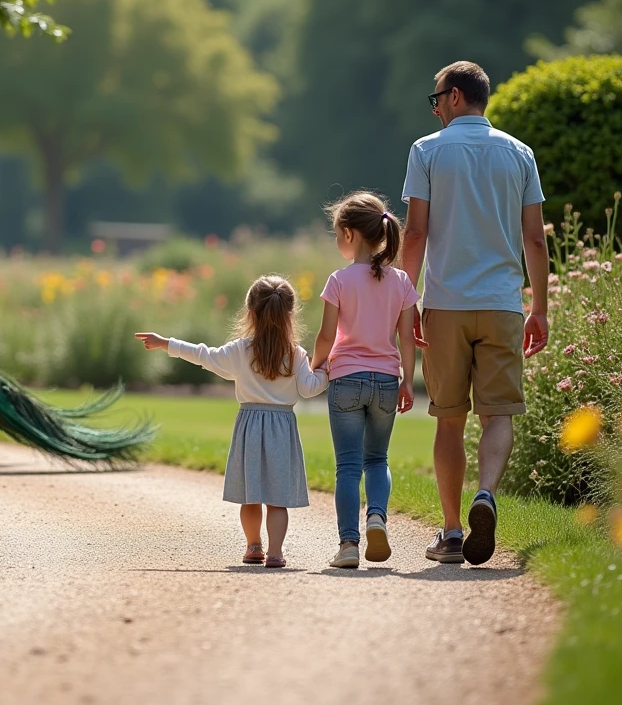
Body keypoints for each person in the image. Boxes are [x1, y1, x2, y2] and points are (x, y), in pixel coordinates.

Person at [401, 61, 550, 566]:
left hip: (446, 303)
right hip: (503, 303)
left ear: (457, 96)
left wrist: (405, 300)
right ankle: (485, 493)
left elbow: (416, 233)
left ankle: (448, 532)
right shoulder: (520, 153)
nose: (437, 107)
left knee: (448, 420)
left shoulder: (426, 151)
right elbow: (534, 238)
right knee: (498, 413)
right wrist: (540, 309)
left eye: (438, 98)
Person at [135, 275, 329, 568]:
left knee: (251, 495)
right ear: (289, 315)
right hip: (283, 428)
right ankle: (275, 552)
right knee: (277, 498)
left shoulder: (241, 350)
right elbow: (310, 388)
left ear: (251, 313)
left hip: (250, 426)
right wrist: (326, 369)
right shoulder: (296, 354)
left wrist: (166, 343)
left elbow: (204, 355)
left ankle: (253, 546)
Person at [311, 192, 418, 569]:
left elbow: (326, 336)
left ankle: (349, 545)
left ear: (350, 233)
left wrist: (315, 365)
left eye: (337, 233)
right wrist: (408, 380)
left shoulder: (339, 280)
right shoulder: (401, 281)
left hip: (346, 381)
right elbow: (408, 337)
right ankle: (376, 517)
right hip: (387, 381)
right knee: (377, 459)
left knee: (348, 466)